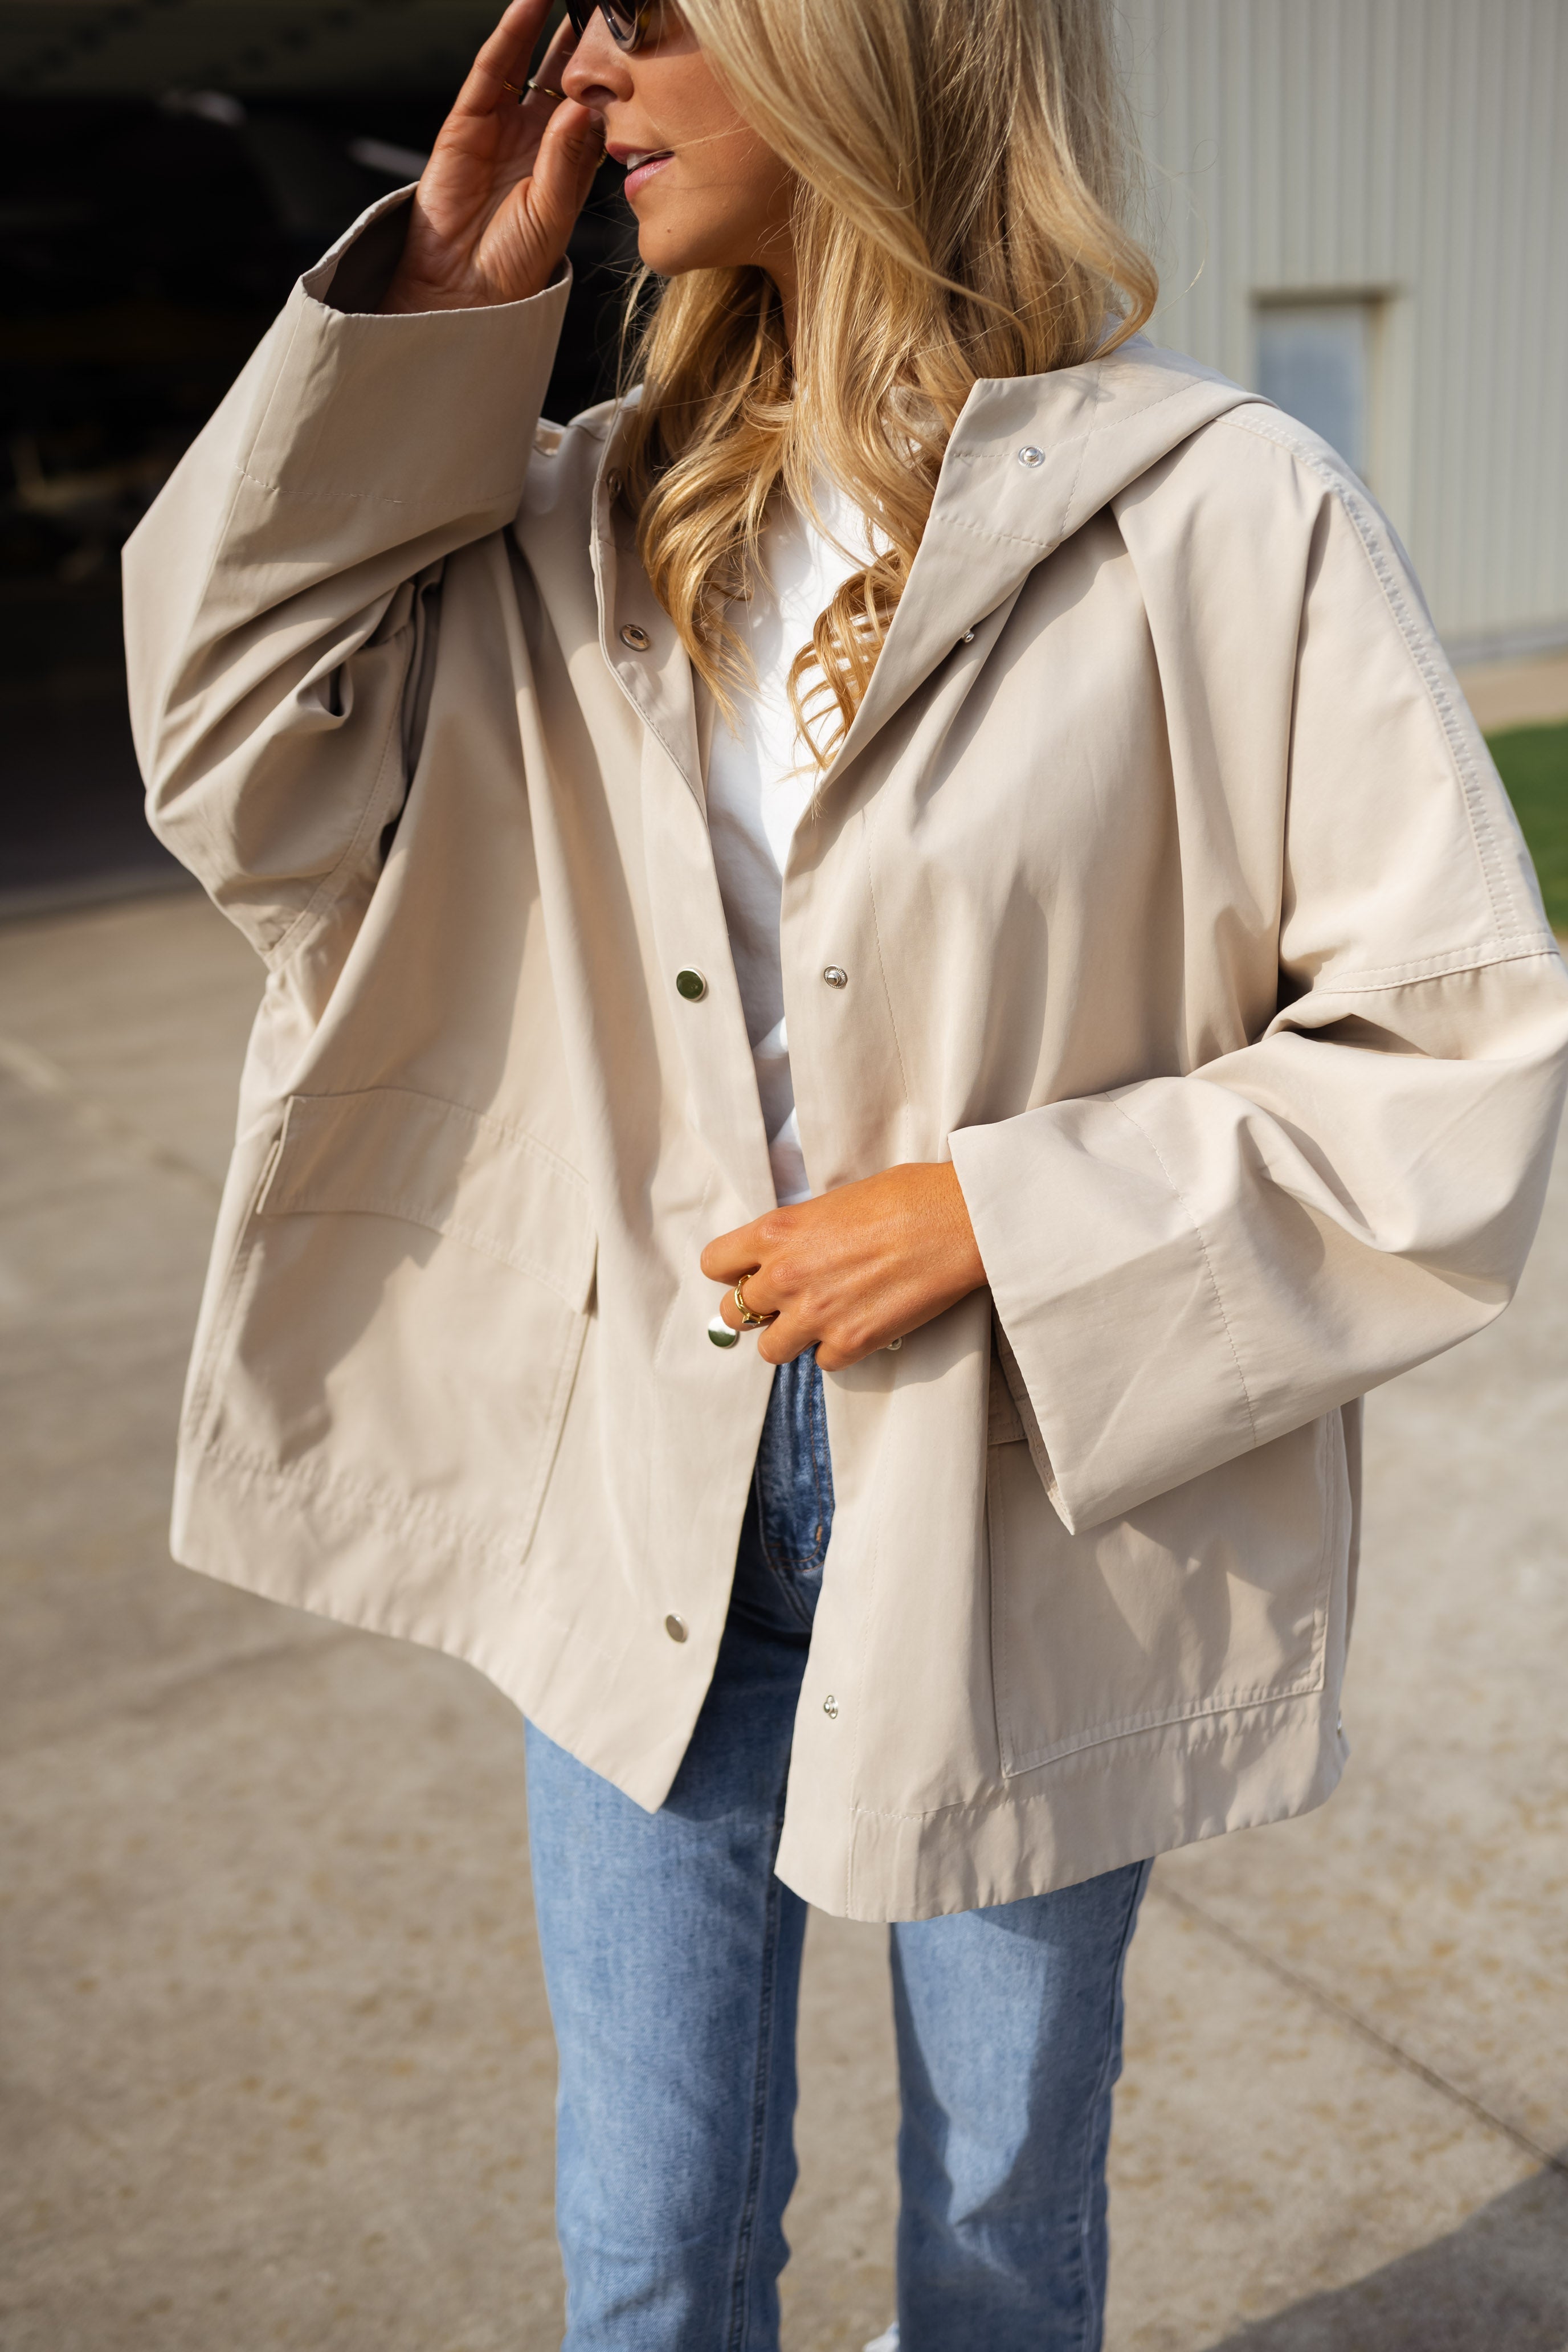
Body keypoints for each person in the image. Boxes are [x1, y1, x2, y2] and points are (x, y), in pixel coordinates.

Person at [124, 1, 1568, 2345]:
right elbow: (218, 746)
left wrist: (1005, 1213)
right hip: (637, 1461)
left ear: (856, 50)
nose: (581, 70)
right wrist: (425, 324)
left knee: (1000, 2235)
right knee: (652, 2237)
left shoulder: (1214, 511)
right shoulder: (548, 510)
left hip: (1025, 1465)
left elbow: (1458, 1041)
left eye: (650, 14)